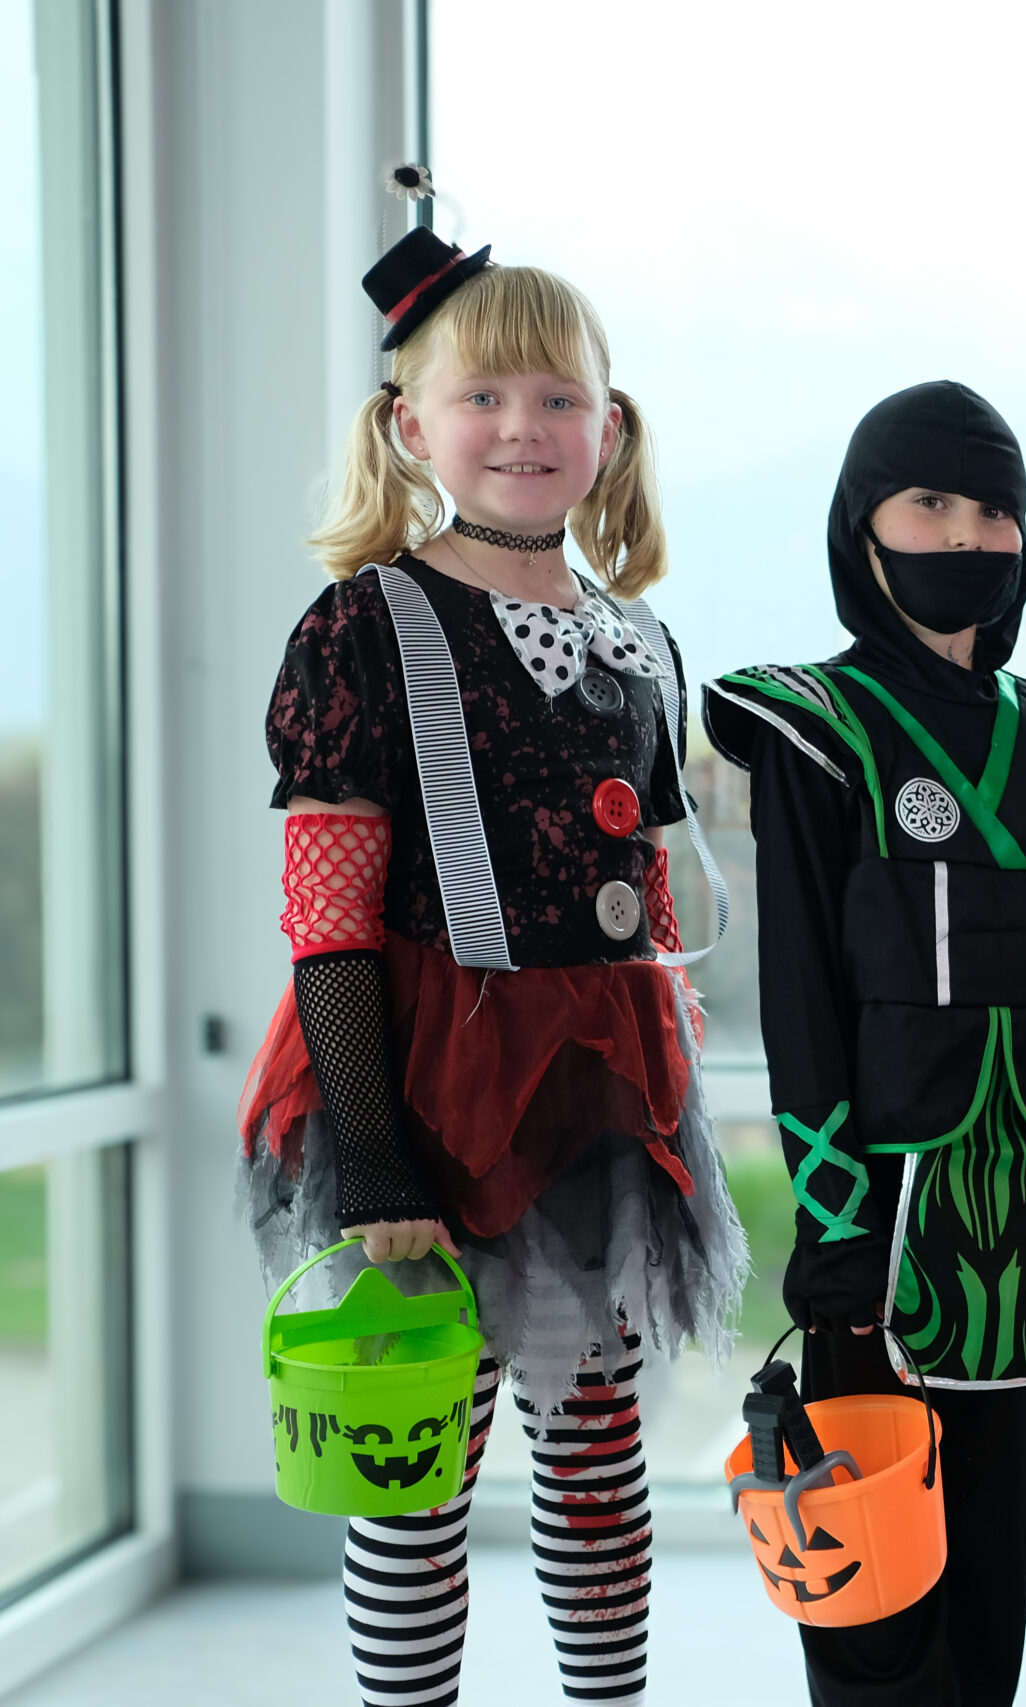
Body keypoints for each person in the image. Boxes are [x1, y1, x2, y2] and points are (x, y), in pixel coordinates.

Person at [237, 217, 746, 1707]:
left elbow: (646, 894)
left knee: (597, 1477)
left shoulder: (637, 639)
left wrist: (670, 1080)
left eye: (558, 397)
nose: (523, 427)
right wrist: (380, 1162)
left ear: (610, 423)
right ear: (411, 425)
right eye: (484, 396)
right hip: (419, 1080)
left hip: (595, 1094)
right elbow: (329, 912)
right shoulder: (362, 626)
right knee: (413, 1475)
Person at [702, 380, 1026, 1707]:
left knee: (991, 1571)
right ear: (862, 527)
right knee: (874, 1586)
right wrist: (830, 1218)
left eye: (992, 508)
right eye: (929, 502)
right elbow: (801, 997)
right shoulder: (815, 727)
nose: (964, 532)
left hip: (1019, 1230)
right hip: (878, 1232)